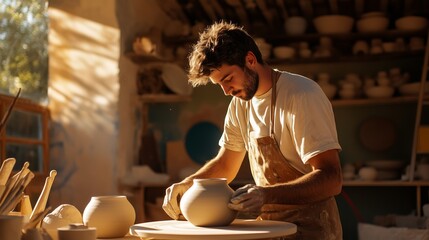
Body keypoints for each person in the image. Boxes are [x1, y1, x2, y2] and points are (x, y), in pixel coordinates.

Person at [162, 21, 343, 239]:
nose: (226, 91)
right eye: (219, 84)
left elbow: (332, 179)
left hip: (313, 228)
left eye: (228, 79)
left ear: (250, 60)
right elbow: (226, 164)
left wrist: (266, 194)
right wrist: (188, 184)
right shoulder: (240, 105)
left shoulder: (301, 94)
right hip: (270, 228)